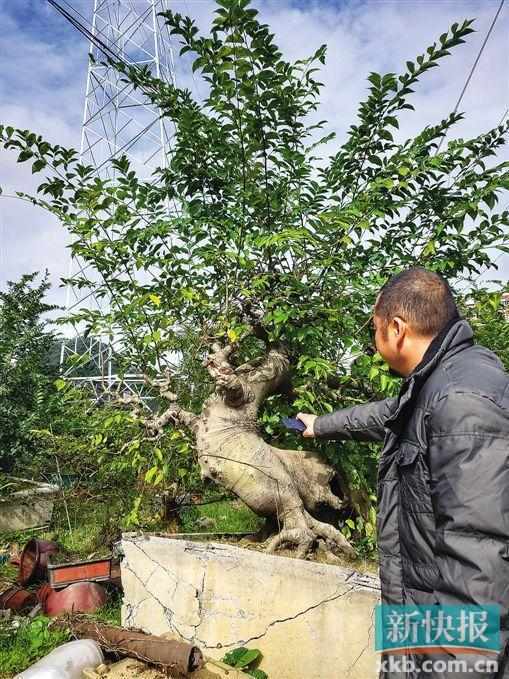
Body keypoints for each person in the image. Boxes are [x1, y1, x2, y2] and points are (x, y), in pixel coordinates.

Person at [297, 267, 509, 678]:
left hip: (447, 641)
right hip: (416, 609)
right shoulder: (440, 382)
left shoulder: (462, 402)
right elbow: (388, 416)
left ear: (396, 328)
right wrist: (320, 424)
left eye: (374, 329)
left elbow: (478, 554)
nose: (374, 341)